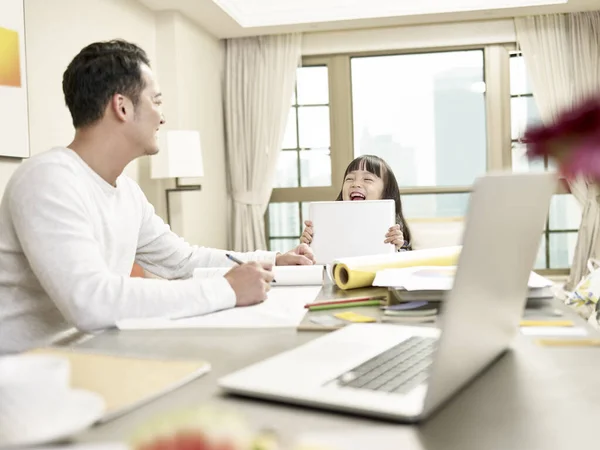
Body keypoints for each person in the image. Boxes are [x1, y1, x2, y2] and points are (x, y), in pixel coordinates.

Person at [0, 39, 314, 354]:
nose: (162, 117)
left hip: (96, 356)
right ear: (121, 106)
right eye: (157, 101)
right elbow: (90, 302)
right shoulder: (48, 179)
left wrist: (272, 262)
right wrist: (227, 289)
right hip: (27, 374)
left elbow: (182, 261)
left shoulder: (127, 193)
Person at [301, 154, 412, 251]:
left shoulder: (393, 231)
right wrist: (309, 246)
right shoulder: (328, 225)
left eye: (367, 179)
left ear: (386, 192)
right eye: (349, 179)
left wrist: (396, 249)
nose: (355, 184)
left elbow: (408, 265)